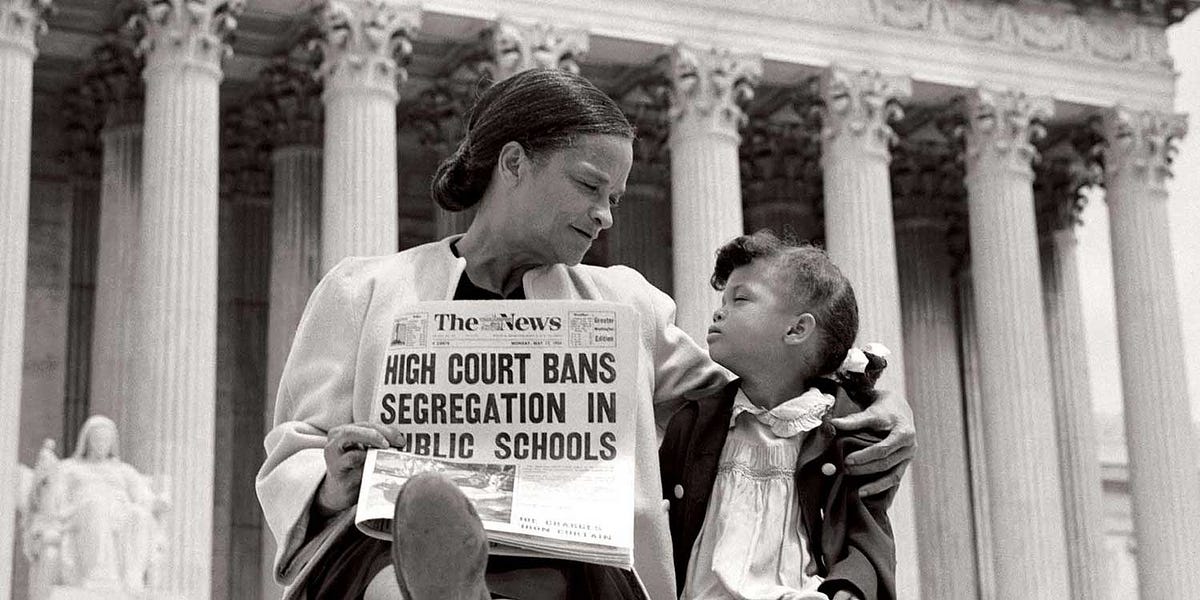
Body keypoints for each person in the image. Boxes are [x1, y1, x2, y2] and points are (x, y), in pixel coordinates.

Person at [256, 68, 915, 600]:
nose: (603, 216)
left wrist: (869, 396)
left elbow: (761, 390)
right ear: (513, 163)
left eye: (616, 199)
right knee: (392, 568)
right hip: (397, 547)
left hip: (576, 564)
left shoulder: (624, 304)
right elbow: (295, 451)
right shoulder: (363, 291)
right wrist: (334, 479)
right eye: (589, 186)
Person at [659, 232, 896, 600]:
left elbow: (867, 534)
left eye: (740, 299)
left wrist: (850, 590)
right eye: (722, 299)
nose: (718, 311)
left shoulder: (842, 431)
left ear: (797, 329)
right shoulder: (691, 424)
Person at [43, 415, 162, 591]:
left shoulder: (124, 470)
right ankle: (98, 575)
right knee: (97, 505)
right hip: (81, 512)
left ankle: (132, 577)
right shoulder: (69, 467)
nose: (102, 443)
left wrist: (158, 502)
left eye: (106, 440)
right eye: (97, 439)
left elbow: (143, 496)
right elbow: (55, 497)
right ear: (87, 441)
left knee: (140, 515)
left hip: (120, 512)